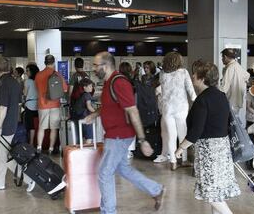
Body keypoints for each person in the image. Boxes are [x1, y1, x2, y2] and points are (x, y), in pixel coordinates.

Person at [84, 51, 165, 213]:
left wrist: (143, 140)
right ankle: (156, 189)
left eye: (95, 65)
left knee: (104, 173)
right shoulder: (108, 83)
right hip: (114, 135)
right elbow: (110, 106)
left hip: (119, 135)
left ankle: (109, 211)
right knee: (123, 169)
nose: (93, 69)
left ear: (105, 66)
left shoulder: (119, 83)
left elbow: (133, 111)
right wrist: (95, 114)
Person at [175, 61, 241, 214]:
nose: (192, 75)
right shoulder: (221, 96)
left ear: (202, 78)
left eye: (195, 73)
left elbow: (196, 131)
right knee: (216, 193)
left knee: (211, 195)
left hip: (209, 152)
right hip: (222, 150)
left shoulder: (202, 100)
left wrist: (180, 149)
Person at [0, 57, 35, 192]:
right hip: (12, 123)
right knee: (3, 156)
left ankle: (29, 179)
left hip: (4, 125)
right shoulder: (14, 82)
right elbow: (19, 103)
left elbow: (3, 107)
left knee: (2, 157)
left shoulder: (3, 84)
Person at [156, 52, 196, 170]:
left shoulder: (162, 74)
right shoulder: (183, 72)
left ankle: (173, 162)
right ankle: (183, 160)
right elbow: (190, 89)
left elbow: (162, 90)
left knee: (171, 135)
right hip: (181, 107)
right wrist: (196, 100)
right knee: (183, 134)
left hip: (167, 109)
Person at [34, 55, 68, 154]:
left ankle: (39, 147)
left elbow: (37, 88)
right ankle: (51, 148)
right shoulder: (57, 74)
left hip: (42, 104)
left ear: (45, 62)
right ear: (53, 63)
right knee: (54, 128)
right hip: (55, 104)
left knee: (41, 127)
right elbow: (65, 89)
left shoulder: (38, 75)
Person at [220, 48, 250, 128]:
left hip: (230, 101)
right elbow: (247, 76)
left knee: (228, 125)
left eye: (222, 57)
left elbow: (224, 88)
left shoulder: (230, 68)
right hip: (238, 101)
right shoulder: (238, 66)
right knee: (233, 123)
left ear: (225, 57)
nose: (222, 60)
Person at [72, 78, 96, 144]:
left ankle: (83, 151)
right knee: (89, 137)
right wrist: (96, 112)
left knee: (82, 137)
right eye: (90, 86)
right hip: (86, 118)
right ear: (84, 87)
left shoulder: (80, 95)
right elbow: (89, 106)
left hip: (79, 117)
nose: (92, 87)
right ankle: (87, 152)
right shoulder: (87, 95)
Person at [24, 64, 39, 146]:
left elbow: (25, 93)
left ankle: (31, 143)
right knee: (38, 124)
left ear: (31, 71)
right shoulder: (39, 80)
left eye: (27, 70)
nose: (26, 72)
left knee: (30, 125)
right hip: (38, 105)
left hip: (29, 105)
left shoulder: (28, 81)